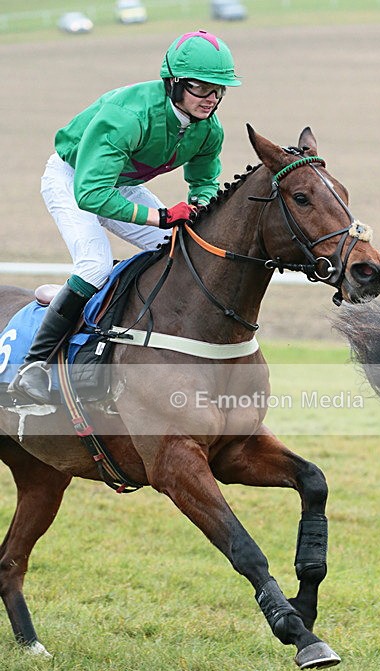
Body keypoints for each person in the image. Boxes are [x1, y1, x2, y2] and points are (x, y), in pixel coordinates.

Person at [9, 29, 241, 403]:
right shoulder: (127, 116)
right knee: (94, 264)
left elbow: (204, 181)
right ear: (175, 84)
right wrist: (163, 216)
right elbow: (92, 194)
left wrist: (200, 207)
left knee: (178, 247)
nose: (211, 98)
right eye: (201, 87)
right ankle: (34, 366)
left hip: (121, 181)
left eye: (218, 90)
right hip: (73, 180)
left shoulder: (209, 130)